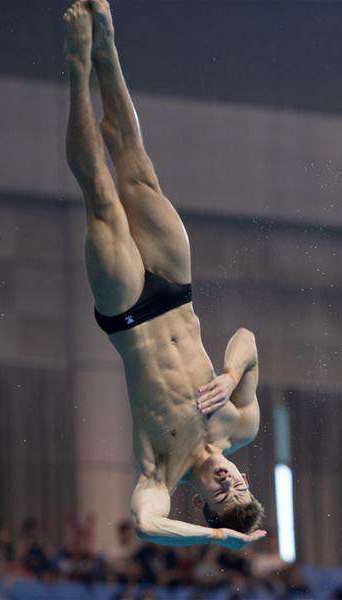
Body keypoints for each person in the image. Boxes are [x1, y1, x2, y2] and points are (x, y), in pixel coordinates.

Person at [62, 0, 265, 547]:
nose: (229, 482)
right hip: (177, 294)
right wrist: (229, 372)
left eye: (224, 497)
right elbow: (248, 339)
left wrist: (218, 539)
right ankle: (107, 49)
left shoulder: (159, 470)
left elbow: (147, 525)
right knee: (137, 169)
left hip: (127, 314)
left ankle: (78, 67)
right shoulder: (241, 426)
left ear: (201, 504)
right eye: (241, 486)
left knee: (102, 198)